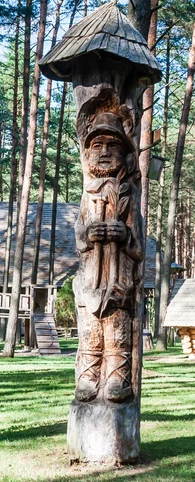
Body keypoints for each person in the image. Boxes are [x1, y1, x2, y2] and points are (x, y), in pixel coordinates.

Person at [73, 112, 143, 403]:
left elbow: (138, 248)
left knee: (116, 328)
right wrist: (89, 233)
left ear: (126, 154)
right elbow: (79, 236)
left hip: (119, 280)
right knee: (90, 329)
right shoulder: (88, 195)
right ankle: (88, 374)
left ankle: (117, 375)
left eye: (111, 145)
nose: (103, 152)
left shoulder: (127, 193)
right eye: (96, 145)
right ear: (87, 154)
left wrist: (124, 234)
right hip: (90, 280)